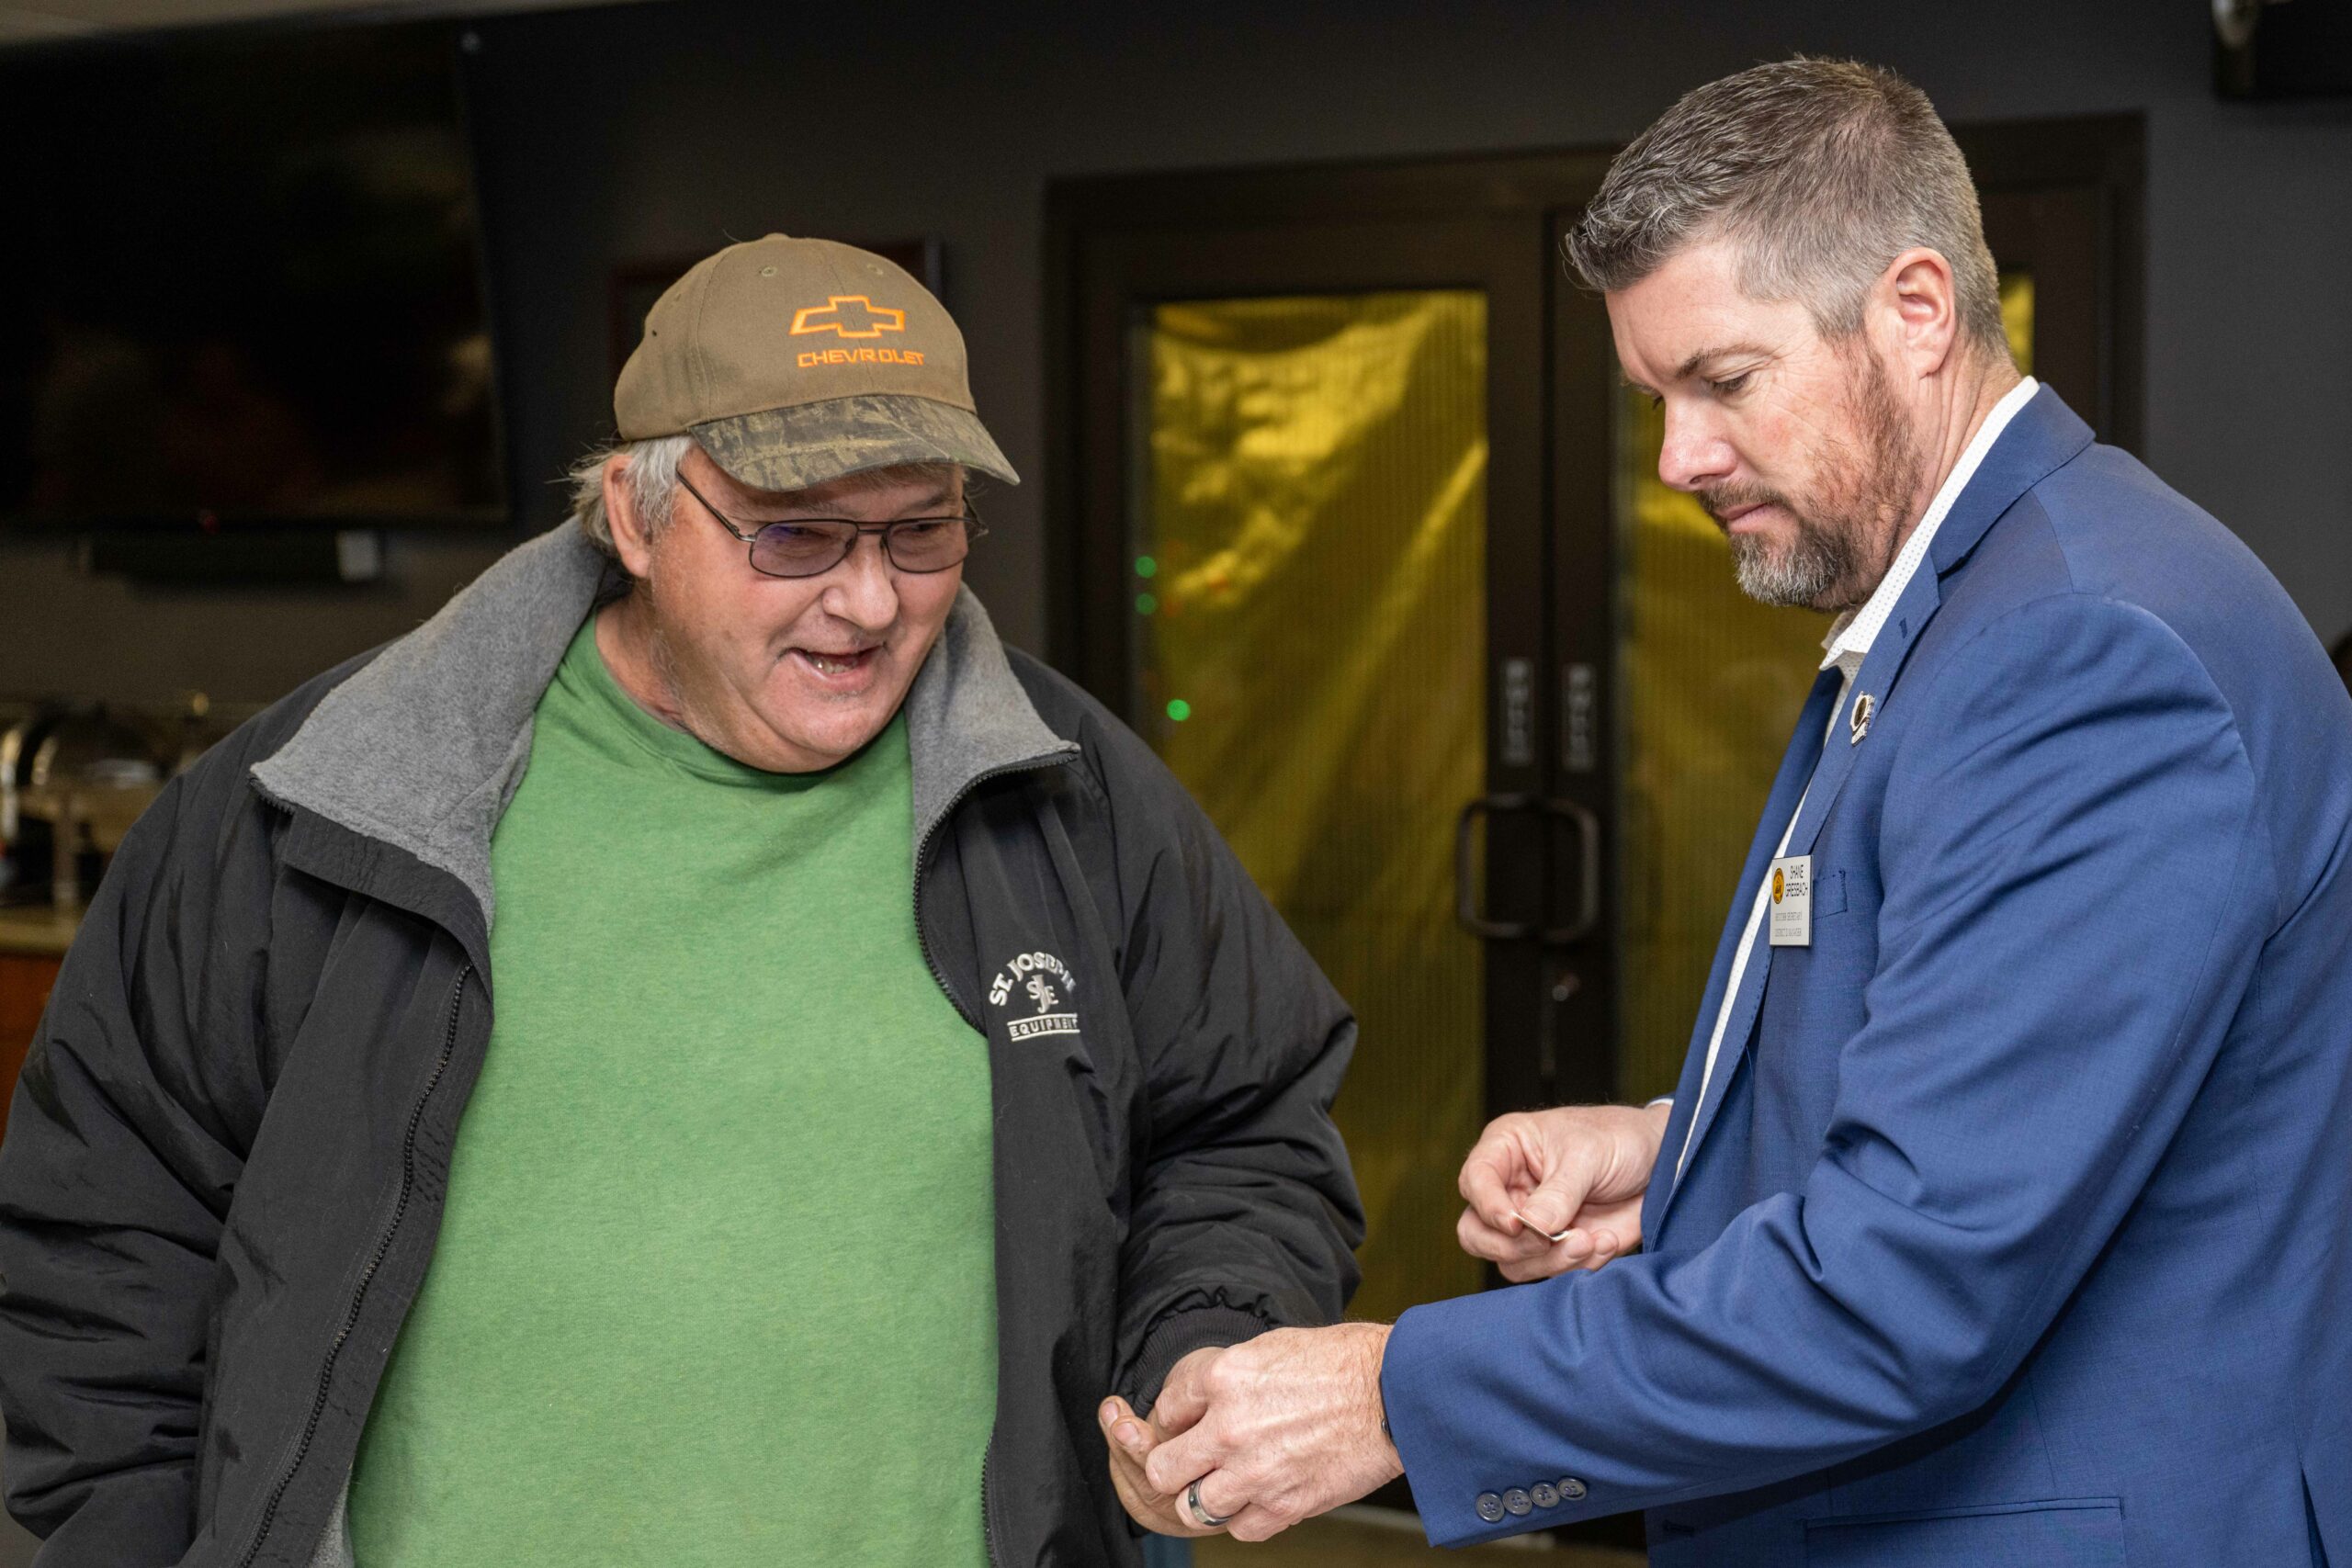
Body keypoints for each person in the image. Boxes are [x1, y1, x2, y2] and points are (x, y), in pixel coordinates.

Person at [1102, 59, 2352, 1566]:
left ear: (1916, 309)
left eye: (1724, 382)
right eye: (1657, 399)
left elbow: (1904, 1289)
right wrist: (1683, 1151)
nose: (1676, 459)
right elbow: (2008, 1103)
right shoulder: (1986, 603)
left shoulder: (2080, 651)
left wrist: (1392, 1396)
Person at [0, 235, 1363, 1568]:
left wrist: (1201, 1345)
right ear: (635, 517)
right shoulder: (320, 801)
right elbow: (105, 1235)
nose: (870, 599)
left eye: (922, 529)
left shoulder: (1074, 796)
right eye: (798, 534)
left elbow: (1241, 1126)